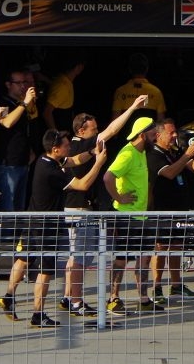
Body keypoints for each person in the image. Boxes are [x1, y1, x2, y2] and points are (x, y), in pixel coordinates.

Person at [0, 130, 108, 327]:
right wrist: (99, 163)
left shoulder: (45, 159)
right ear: (56, 149)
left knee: (23, 258)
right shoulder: (52, 172)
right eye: (66, 146)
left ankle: (8, 296)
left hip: (32, 221)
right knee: (45, 271)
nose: (69, 149)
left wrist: (92, 153)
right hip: (46, 227)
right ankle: (38, 314)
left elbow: (74, 160)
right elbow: (83, 185)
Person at [59, 94, 150, 315]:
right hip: (80, 208)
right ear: (81, 131)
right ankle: (76, 302)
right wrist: (132, 108)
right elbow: (112, 131)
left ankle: (68, 297)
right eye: (93, 129)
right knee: (80, 257)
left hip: (79, 207)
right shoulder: (79, 145)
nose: (96, 133)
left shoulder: (76, 149)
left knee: (75, 256)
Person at [103, 116, 160, 313]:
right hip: (126, 217)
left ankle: (144, 298)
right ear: (142, 135)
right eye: (153, 134)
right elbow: (108, 177)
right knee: (121, 258)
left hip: (142, 216)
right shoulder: (128, 154)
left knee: (144, 258)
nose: (156, 138)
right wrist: (119, 197)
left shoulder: (143, 152)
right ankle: (113, 297)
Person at [147, 118, 194, 303]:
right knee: (161, 248)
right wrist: (187, 155)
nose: (174, 136)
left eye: (175, 133)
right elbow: (170, 172)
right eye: (170, 133)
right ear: (158, 135)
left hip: (179, 207)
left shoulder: (174, 151)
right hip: (162, 209)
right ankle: (156, 287)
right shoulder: (153, 154)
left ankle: (176, 285)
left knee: (176, 246)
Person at [0, 68, 39, 211]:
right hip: (8, 163)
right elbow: (7, 123)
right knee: (8, 205)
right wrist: (24, 103)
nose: (22, 86)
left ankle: (16, 233)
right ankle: (7, 234)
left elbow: (24, 131)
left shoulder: (21, 104)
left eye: (24, 82)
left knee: (19, 205)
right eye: (18, 83)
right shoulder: (3, 103)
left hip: (22, 161)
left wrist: (30, 151)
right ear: (8, 84)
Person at [112, 53, 166, 120]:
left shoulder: (120, 91)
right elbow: (161, 120)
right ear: (147, 69)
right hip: (148, 130)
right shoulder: (156, 92)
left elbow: (115, 118)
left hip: (126, 130)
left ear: (130, 69)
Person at [43, 59, 85, 132]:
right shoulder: (62, 86)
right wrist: (56, 135)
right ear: (78, 67)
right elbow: (46, 113)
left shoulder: (66, 81)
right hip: (61, 134)